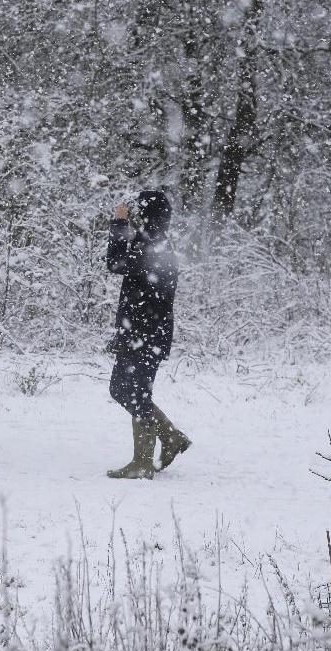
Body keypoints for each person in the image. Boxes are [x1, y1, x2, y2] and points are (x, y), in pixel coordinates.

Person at [104, 190, 192, 479]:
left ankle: (142, 462)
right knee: (121, 389)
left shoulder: (154, 246)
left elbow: (115, 262)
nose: (133, 215)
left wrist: (119, 224)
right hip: (139, 334)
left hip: (146, 335)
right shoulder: (150, 242)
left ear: (146, 215)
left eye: (137, 211)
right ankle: (171, 437)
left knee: (136, 392)